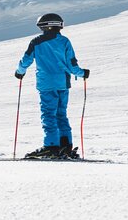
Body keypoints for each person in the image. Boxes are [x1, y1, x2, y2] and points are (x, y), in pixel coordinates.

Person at [15, 13, 89, 160]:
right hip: (63, 84)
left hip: (47, 84)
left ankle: (51, 147)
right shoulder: (65, 41)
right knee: (61, 114)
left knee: (49, 114)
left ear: (44, 26)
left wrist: (19, 72)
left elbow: (26, 60)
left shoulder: (36, 42)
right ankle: (65, 145)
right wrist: (82, 73)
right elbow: (72, 63)